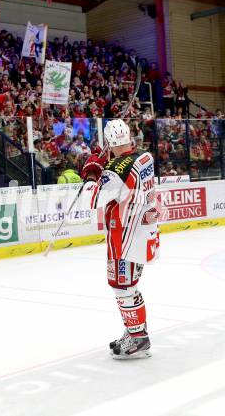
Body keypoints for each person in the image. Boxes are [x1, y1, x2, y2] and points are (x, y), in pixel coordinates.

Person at [79, 119, 160, 359]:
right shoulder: (145, 158)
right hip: (144, 232)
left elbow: (91, 200)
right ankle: (135, 330)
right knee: (128, 285)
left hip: (124, 238)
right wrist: (107, 163)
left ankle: (138, 337)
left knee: (122, 286)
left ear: (109, 142)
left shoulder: (115, 170)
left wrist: (93, 172)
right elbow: (125, 171)